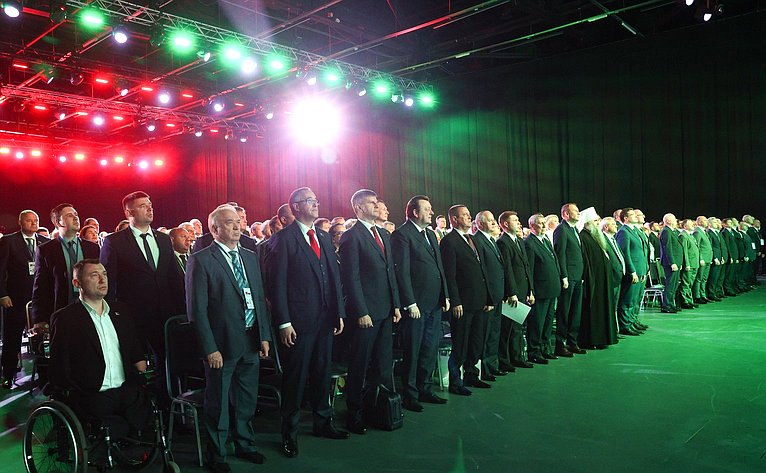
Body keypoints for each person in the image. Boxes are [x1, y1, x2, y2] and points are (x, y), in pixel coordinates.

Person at [187, 206, 271, 472]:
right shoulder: (201, 260)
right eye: (229, 223)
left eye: (238, 222)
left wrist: (264, 336)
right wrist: (209, 348)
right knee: (218, 402)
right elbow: (197, 311)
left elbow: (258, 298)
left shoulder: (249, 255)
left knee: (246, 398)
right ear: (214, 229)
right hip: (220, 345)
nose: (237, 227)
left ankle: (245, 444)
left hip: (250, 339)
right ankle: (217, 454)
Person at [267, 187, 348, 458]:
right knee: (296, 379)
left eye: (316, 200)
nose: (316, 204)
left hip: (325, 320)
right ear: (296, 207)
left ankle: (323, 422)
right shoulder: (283, 239)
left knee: (322, 374)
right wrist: (283, 322)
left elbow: (334, 277)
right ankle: (289, 434)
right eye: (310, 201)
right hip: (298, 323)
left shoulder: (322, 236)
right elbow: (277, 286)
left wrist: (338, 312)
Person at [49, 259, 151, 440]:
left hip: (125, 388)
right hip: (92, 393)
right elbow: (60, 364)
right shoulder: (66, 318)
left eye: (104, 274)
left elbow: (133, 345)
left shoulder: (120, 311)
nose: (103, 280)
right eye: (94, 275)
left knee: (146, 425)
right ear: (77, 283)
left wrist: (139, 361)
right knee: (116, 429)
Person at [100, 191, 180, 405]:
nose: (150, 208)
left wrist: (182, 309)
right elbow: (109, 281)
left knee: (166, 361)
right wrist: (112, 315)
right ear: (129, 212)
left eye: (150, 204)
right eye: (143, 205)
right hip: (132, 316)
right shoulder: (115, 241)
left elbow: (173, 277)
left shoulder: (163, 239)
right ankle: (136, 408)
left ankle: (165, 406)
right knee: (133, 363)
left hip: (164, 314)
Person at [338, 189, 401, 434]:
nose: (377, 206)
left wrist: (396, 304)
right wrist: (361, 311)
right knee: (360, 365)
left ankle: (378, 409)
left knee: (383, 364)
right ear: (358, 208)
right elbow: (351, 278)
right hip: (366, 313)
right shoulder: (351, 237)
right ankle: (354, 413)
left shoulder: (383, 234)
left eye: (377, 202)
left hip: (385, 310)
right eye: (371, 203)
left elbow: (390, 272)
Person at [391, 195, 450, 412]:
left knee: (429, 349)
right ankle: (410, 394)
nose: (432, 212)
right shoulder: (401, 234)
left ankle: (425, 389)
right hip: (416, 306)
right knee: (413, 351)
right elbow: (402, 271)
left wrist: (445, 295)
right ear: (415, 212)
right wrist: (409, 302)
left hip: (434, 303)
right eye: (427, 209)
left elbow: (439, 267)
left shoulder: (431, 234)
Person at [440, 204, 492, 395]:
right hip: (462, 303)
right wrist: (455, 301)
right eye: (465, 215)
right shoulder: (449, 241)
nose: (469, 217)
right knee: (460, 344)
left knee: (476, 342)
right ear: (454, 219)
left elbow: (482, 270)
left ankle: (472, 375)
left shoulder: (472, 238)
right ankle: (456, 381)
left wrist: (488, 298)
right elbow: (450, 275)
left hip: (479, 300)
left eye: (469, 214)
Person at [31, 204, 100, 328]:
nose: (76, 217)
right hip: (61, 309)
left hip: (91, 309)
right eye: (69, 215)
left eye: (76, 214)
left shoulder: (93, 248)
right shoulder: (46, 250)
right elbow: (40, 286)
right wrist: (39, 318)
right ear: (58, 222)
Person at [0, 210, 47, 388]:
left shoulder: (45, 241)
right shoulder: (9, 241)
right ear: (20, 223)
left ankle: (44, 376)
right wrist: (2, 293)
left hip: (39, 299)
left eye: (36, 220)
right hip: (16, 299)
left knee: (41, 338)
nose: (34, 223)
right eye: (29, 220)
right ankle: (8, 375)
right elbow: (1, 269)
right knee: (12, 338)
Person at [470, 211, 507, 380]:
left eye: (493, 220)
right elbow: (481, 272)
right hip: (488, 297)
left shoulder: (491, 240)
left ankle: (492, 365)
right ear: (480, 224)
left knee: (494, 332)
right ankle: (484, 369)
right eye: (490, 221)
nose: (494, 223)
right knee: (484, 334)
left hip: (498, 294)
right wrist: (487, 297)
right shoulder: (477, 240)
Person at [496, 211, 534, 370]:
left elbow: (526, 266)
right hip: (512, 293)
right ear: (505, 224)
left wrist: (530, 289)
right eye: (515, 220)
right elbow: (507, 269)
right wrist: (511, 292)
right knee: (508, 329)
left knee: (518, 327)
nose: (519, 223)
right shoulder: (503, 242)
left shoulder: (518, 240)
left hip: (523, 289)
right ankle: (505, 361)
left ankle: (517, 357)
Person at [577, 208, 618, 349]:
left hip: (602, 281)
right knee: (593, 311)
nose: (597, 223)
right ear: (587, 222)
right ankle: (592, 340)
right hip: (593, 281)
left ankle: (604, 338)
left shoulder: (595, 236)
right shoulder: (583, 237)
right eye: (595, 221)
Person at [524, 213, 562, 364]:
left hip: (551, 289)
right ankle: (534, 351)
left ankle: (545, 348)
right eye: (540, 223)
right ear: (532, 226)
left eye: (544, 223)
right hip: (540, 291)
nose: (544, 226)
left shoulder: (545, 239)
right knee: (537, 324)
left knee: (547, 323)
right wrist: (531, 291)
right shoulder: (529, 243)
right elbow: (530, 270)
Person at [553, 203, 585, 356]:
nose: (579, 213)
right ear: (565, 214)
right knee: (564, 312)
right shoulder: (561, 229)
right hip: (568, 277)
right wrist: (564, 276)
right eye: (575, 211)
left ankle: (572, 342)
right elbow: (560, 254)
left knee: (575, 312)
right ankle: (560, 344)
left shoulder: (573, 229)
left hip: (577, 277)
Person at [616, 208, 648, 334]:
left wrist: (644, 270)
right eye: (632, 215)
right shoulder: (623, 232)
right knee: (627, 299)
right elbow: (625, 253)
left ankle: (632, 321)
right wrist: (632, 271)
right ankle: (625, 325)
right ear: (625, 218)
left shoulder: (634, 230)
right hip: (633, 270)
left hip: (640, 269)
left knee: (635, 299)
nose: (636, 216)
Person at [659, 213, 683, 313]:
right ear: (668, 221)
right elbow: (667, 248)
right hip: (671, 263)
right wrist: (672, 263)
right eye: (674, 219)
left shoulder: (672, 231)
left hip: (676, 261)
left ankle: (671, 304)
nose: (676, 220)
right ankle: (666, 306)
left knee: (674, 285)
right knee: (670, 285)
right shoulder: (666, 231)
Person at [693, 216, 714, 304]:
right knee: (699, 278)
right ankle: (697, 296)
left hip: (708, 258)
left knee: (704, 278)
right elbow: (697, 246)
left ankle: (703, 295)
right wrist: (700, 258)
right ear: (699, 222)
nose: (707, 222)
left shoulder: (704, 232)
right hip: (702, 259)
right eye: (705, 220)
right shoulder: (697, 232)